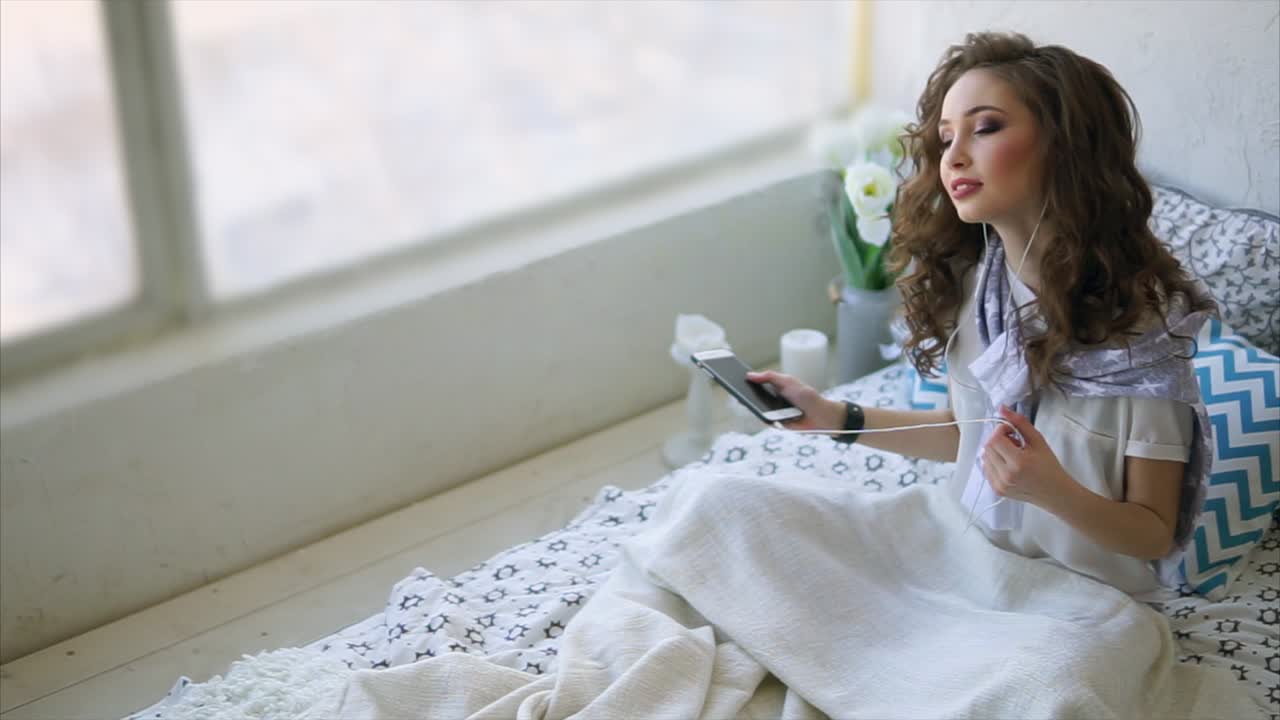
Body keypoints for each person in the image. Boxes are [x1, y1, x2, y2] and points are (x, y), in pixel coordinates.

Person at [747, 31, 1216, 598]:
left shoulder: (1140, 337)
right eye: (946, 137)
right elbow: (962, 434)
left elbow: (1154, 533)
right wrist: (831, 416)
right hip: (964, 549)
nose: (954, 157)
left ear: (1065, 144)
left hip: (1080, 600)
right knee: (731, 511)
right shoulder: (980, 290)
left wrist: (1052, 491)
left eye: (986, 127)